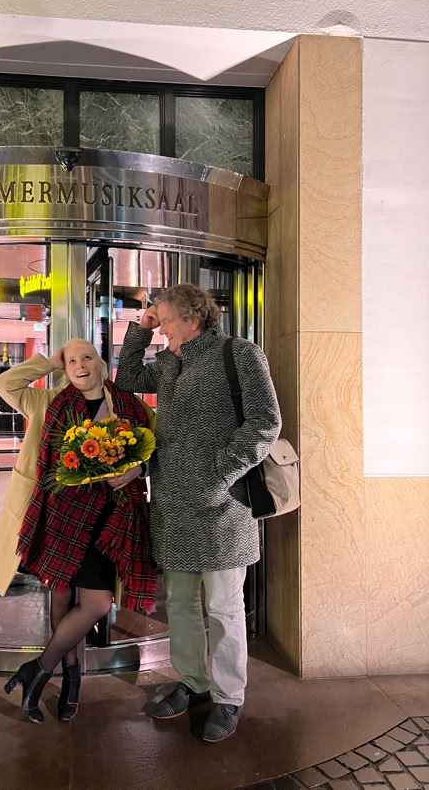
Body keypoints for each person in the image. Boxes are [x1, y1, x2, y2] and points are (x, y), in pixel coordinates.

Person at [115, 284, 281, 743]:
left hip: (222, 507)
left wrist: (219, 476)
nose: (161, 325)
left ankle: (229, 697)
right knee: (183, 608)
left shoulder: (239, 354)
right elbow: (126, 378)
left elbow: (265, 421)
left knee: (225, 609)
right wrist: (141, 329)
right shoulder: (169, 361)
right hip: (171, 503)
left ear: (192, 317)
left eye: (165, 319)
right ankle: (192, 681)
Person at [0, 339, 156, 724]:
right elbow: (5, 386)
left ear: (101, 364)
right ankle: (72, 680)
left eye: (86, 358)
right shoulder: (47, 404)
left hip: (110, 521)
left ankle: (38, 669)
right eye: (72, 360)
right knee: (60, 603)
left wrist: (138, 470)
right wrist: (50, 361)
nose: (79, 365)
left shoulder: (129, 406)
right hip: (58, 517)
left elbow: (157, 448)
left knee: (94, 605)